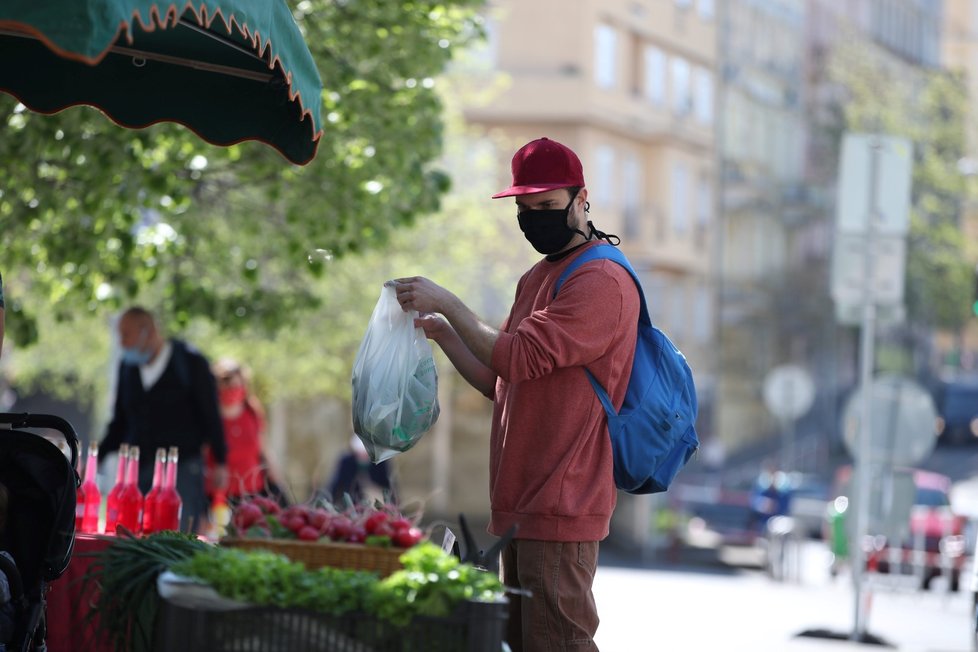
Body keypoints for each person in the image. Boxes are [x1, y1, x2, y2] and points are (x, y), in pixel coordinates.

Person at [393, 137, 639, 651]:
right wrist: (444, 332)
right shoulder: (538, 276)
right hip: (522, 504)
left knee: (557, 644)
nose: (534, 220)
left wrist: (451, 302)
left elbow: (518, 356)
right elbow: (500, 379)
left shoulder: (601, 281)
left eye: (547, 207)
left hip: (561, 502)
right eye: (525, 210)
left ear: (581, 198)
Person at [99, 306, 228, 533]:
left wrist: (221, 460)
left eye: (126, 335)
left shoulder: (190, 362)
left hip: (182, 470)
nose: (122, 343)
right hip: (138, 469)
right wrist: (96, 456)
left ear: (147, 331)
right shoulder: (127, 367)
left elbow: (211, 414)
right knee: (132, 535)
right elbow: (120, 421)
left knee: (176, 537)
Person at [205, 357, 286, 506]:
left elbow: (263, 449)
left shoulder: (252, 411)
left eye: (237, 384)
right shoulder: (209, 417)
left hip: (254, 492)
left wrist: (277, 480)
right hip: (220, 497)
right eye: (227, 384)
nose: (232, 389)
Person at [324, 435, 396, 505]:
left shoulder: (381, 463)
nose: (363, 457)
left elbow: (388, 486)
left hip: (375, 502)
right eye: (360, 454)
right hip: (351, 503)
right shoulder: (346, 462)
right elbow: (335, 485)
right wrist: (327, 501)